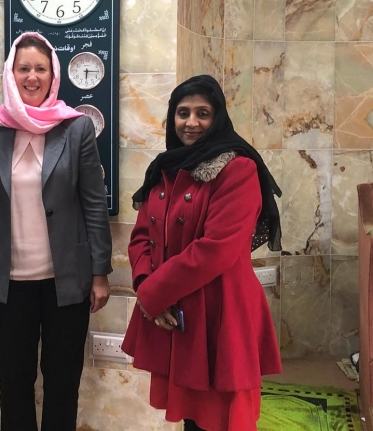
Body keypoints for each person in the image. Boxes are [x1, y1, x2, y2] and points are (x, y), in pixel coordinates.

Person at [0, 32, 112, 431]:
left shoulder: (76, 128)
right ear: (11, 73)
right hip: (9, 283)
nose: (32, 76)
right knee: (14, 382)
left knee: (63, 382)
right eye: (23, 68)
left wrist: (100, 273)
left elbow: (94, 203)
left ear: (53, 75)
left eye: (40, 69)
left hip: (68, 281)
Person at [121, 75, 283, 431]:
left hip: (220, 311)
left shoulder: (238, 168)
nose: (191, 122)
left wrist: (152, 295)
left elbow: (217, 249)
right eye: (182, 113)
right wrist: (146, 283)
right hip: (175, 312)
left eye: (203, 113)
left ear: (218, 118)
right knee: (192, 418)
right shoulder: (166, 167)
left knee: (222, 418)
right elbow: (142, 237)